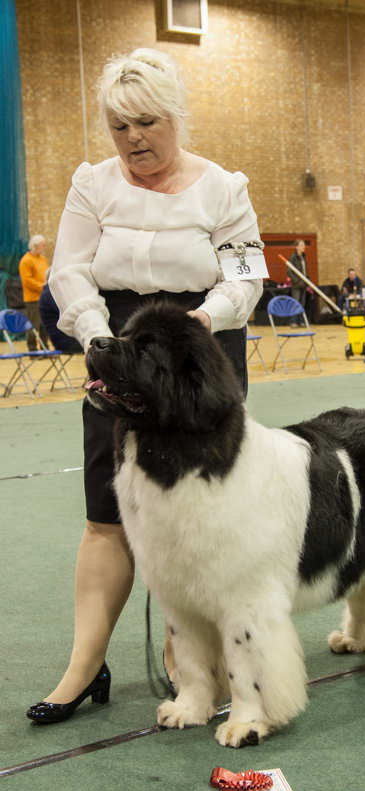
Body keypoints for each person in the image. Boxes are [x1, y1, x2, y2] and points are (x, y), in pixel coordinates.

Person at [26, 48, 264, 724]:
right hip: (120, 351)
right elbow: (69, 270)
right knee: (107, 515)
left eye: (147, 123)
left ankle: (186, 657)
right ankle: (83, 665)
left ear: (176, 118)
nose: (133, 139)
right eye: (119, 127)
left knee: (198, 519)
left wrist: (202, 320)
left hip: (200, 356)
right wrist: (102, 338)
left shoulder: (226, 186)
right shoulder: (91, 184)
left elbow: (246, 278)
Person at [18, 235, 51, 350]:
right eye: (42, 245)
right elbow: (27, 281)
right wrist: (43, 286)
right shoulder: (26, 261)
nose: (44, 247)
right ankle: (32, 349)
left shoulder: (42, 259)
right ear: (35, 246)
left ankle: (44, 347)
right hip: (33, 299)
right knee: (33, 324)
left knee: (44, 325)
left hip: (44, 298)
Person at [39, 279, 83, 354]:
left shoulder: (52, 291)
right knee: (97, 345)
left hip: (67, 339)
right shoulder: (50, 294)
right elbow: (68, 313)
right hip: (65, 342)